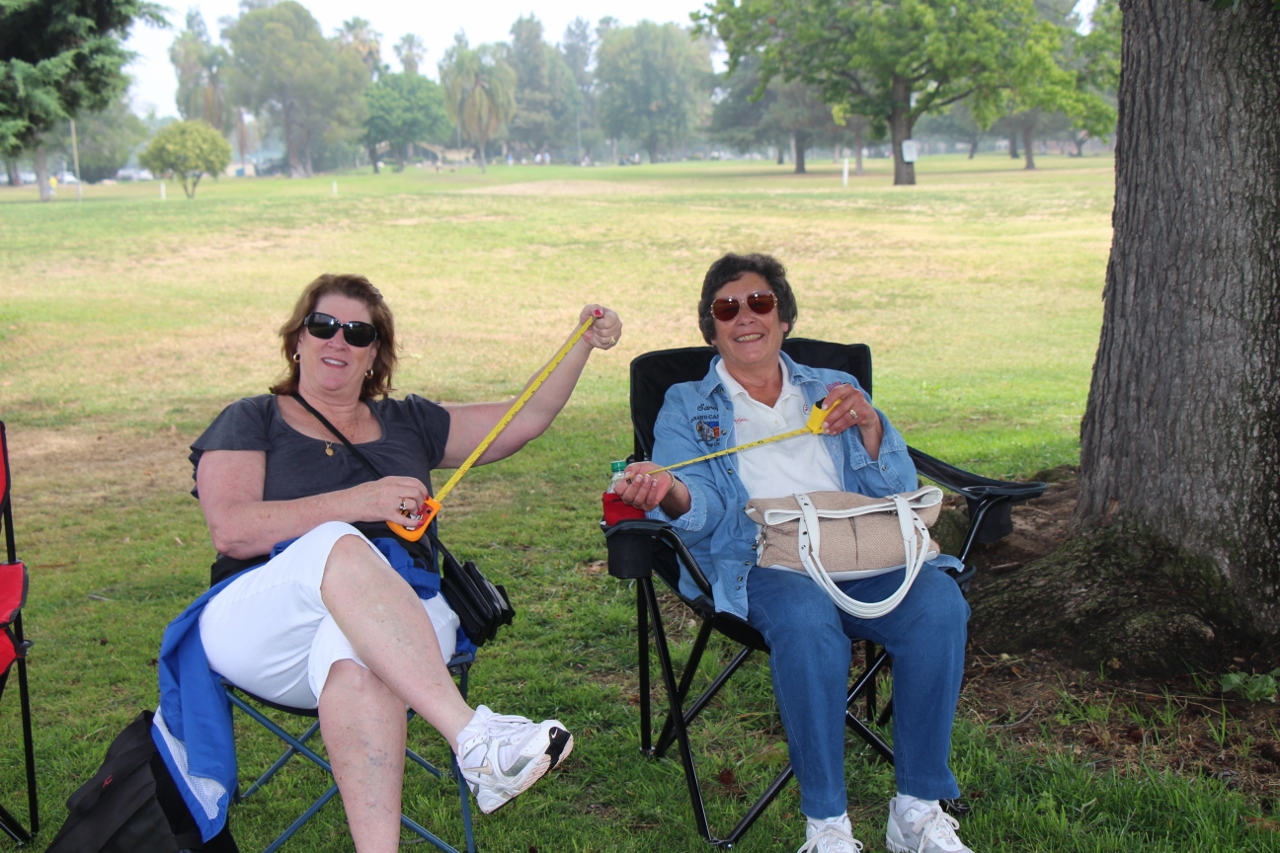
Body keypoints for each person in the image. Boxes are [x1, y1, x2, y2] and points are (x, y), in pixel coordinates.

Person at [155, 272, 622, 851]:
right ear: (297, 337)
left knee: (357, 662)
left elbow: (521, 419)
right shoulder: (253, 419)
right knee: (340, 542)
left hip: (400, 615)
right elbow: (232, 530)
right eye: (323, 326)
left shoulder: (408, 422)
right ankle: (473, 738)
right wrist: (359, 504)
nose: (337, 342)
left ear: (375, 353)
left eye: (358, 333)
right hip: (264, 622)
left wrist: (581, 342)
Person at [614, 253, 972, 853]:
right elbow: (696, 511)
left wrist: (872, 430)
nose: (744, 317)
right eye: (726, 308)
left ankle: (915, 810)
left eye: (760, 302)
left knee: (940, 603)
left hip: (859, 551)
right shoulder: (687, 405)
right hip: (760, 560)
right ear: (711, 327)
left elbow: (893, 490)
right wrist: (667, 491)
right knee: (807, 623)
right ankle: (827, 826)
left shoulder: (835, 389)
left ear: (783, 317)